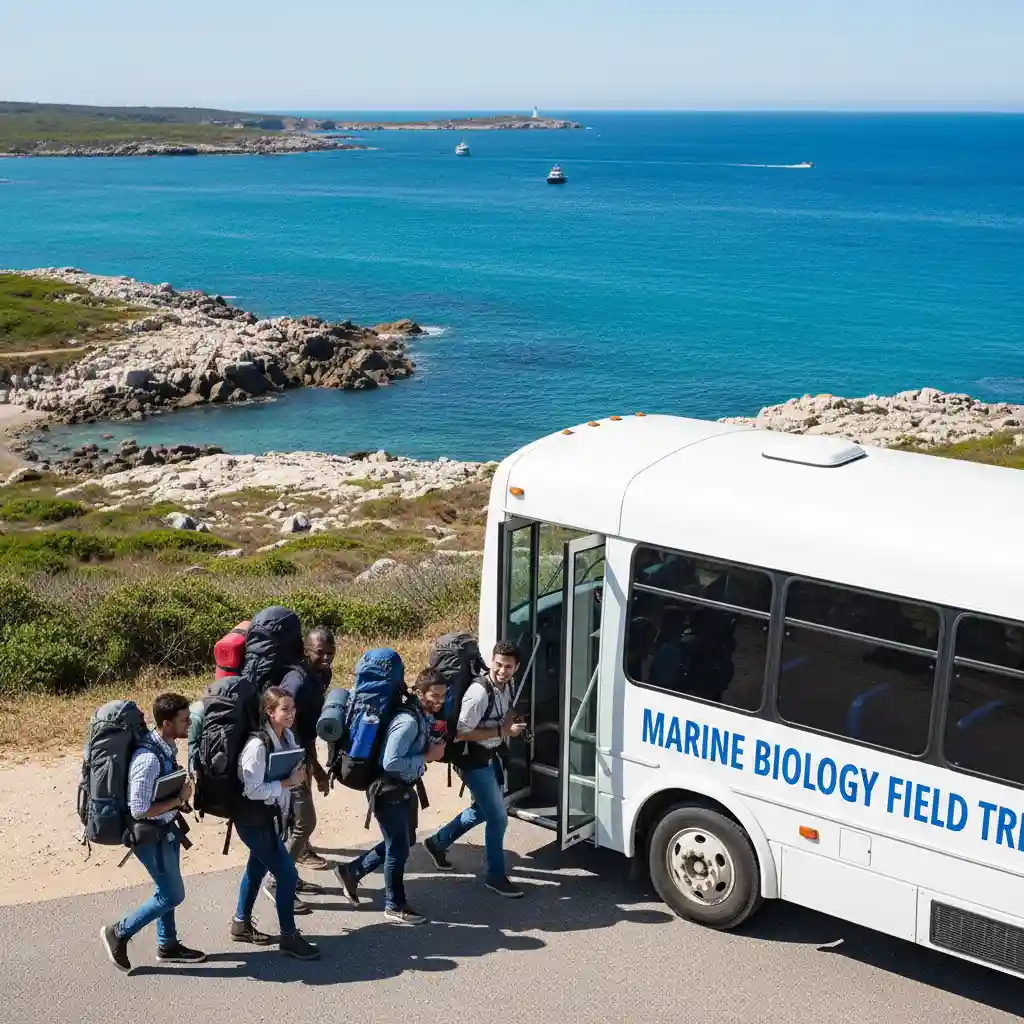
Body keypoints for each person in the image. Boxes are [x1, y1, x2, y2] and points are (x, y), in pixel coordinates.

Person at [334, 666, 448, 925]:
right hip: (388, 791)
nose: (439, 701)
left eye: (443, 696)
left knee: (405, 840)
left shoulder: (421, 714)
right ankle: (394, 905)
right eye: (434, 696)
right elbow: (390, 761)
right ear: (419, 693)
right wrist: (427, 757)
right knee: (398, 848)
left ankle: (351, 871)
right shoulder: (408, 721)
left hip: (403, 788)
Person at [101, 693, 205, 972]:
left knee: (166, 889)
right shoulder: (148, 758)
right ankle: (119, 932)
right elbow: (138, 808)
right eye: (185, 720)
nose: (190, 724)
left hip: (165, 830)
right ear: (167, 724)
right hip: (150, 835)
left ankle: (167, 944)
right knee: (172, 894)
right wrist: (179, 800)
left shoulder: (166, 746)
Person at [423, 641, 528, 898]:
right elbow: (459, 733)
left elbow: (503, 711)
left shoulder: (507, 685)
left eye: (508, 667)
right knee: (498, 817)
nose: (502, 671)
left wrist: (511, 720)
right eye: (498, 664)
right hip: (472, 760)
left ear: (517, 668)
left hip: (490, 755)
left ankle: (437, 842)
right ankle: (495, 876)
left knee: (481, 810)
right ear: (491, 661)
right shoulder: (478, 693)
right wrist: (503, 731)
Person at [231, 686, 320, 961]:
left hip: (270, 818)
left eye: (292, 708)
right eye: (285, 709)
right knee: (288, 875)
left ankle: (240, 924)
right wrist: (285, 783)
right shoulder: (257, 747)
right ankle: (289, 937)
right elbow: (251, 789)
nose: (291, 713)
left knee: (256, 869)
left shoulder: (288, 736)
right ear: (270, 712)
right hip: (253, 820)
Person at [279, 627, 335, 873]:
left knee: (300, 800)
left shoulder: (322, 674)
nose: (326, 658)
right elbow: (289, 729)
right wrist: (316, 767)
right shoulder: (297, 683)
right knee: (303, 812)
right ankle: (293, 856)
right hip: (287, 747)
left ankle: (297, 844)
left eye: (330, 653)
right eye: (320, 653)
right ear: (306, 651)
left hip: (302, 743)